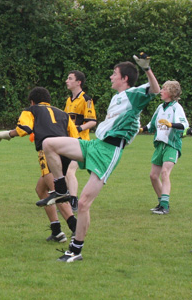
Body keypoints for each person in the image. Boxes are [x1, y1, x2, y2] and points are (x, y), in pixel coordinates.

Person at [38, 53, 160, 262]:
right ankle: (60, 189)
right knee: (49, 143)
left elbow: (155, 90)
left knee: (84, 204)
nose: (111, 77)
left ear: (125, 79)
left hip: (108, 152)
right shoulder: (118, 97)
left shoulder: (133, 94)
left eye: (115, 74)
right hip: (94, 144)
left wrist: (147, 68)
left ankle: (75, 250)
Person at [0, 87, 79, 243]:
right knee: (41, 189)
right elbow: (75, 137)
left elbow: (24, 129)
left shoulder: (31, 110)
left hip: (49, 154)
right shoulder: (62, 113)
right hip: (67, 153)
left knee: (57, 193)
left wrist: (3, 135)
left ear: (32, 101)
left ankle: (76, 229)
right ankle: (57, 231)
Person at [140, 80, 189, 215]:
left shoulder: (176, 107)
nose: (161, 91)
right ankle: (161, 202)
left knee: (165, 173)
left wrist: (171, 124)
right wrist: (140, 129)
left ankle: (165, 206)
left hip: (172, 145)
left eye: (164, 89)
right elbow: (151, 125)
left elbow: (184, 125)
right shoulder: (160, 107)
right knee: (153, 176)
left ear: (171, 93)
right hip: (159, 145)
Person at [64, 70, 97, 211]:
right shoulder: (69, 100)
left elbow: (92, 121)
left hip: (80, 142)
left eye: (70, 78)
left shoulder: (86, 100)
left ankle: (73, 201)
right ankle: (66, 198)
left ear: (79, 82)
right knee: (62, 170)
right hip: (68, 142)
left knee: (70, 171)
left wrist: (78, 128)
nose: (66, 80)